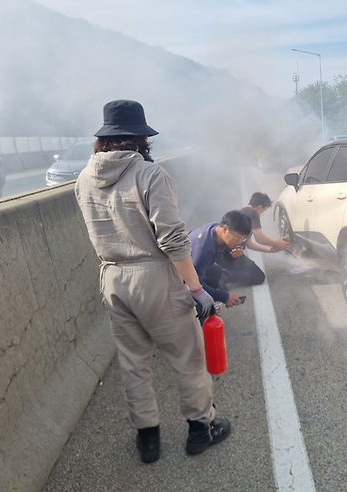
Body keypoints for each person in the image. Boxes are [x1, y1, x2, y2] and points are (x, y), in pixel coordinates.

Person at [74, 99, 230, 464]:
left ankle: (148, 440)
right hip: (155, 277)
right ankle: (200, 431)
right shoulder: (150, 174)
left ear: (104, 140)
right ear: (141, 139)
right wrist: (196, 289)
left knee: (133, 363)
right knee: (186, 357)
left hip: (112, 277)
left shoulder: (83, 179)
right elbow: (173, 240)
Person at [215, 192, 289, 286]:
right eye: (264, 211)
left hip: (224, 253)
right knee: (258, 276)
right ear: (260, 207)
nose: (262, 214)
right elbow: (260, 238)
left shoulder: (243, 213)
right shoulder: (253, 214)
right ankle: (223, 276)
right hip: (230, 254)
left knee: (252, 270)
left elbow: (249, 244)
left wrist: (269, 250)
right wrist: (278, 243)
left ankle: (220, 271)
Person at [188, 210, 253, 307]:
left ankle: (209, 305)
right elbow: (193, 285)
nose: (239, 242)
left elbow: (224, 261)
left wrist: (233, 257)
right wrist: (224, 297)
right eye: (238, 237)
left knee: (216, 270)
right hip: (177, 274)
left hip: (194, 264)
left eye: (242, 239)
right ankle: (199, 311)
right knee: (198, 288)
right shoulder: (204, 250)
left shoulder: (216, 228)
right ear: (225, 229)